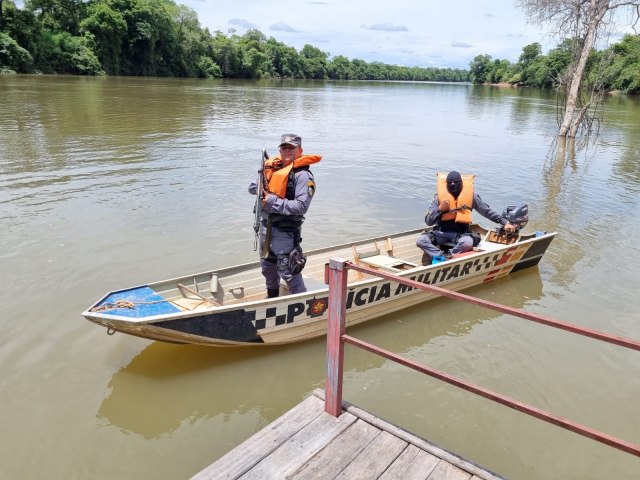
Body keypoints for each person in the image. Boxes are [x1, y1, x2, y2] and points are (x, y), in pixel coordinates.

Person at [249, 134, 322, 297]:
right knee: (267, 268)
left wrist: (272, 201)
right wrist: (261, 189)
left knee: (290, 273)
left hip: (285, 234)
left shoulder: (303, 176)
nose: (287, 150)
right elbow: (252, 187)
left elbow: (301, 206)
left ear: (300, 150)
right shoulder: (272, 167)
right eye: (284, 147)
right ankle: (272, 298)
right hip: (265, 230)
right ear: (280, 150)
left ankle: (301, 304)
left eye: (291, 148)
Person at [416, 171, 516, 264]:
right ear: (446, 183)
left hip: (460, 234)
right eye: (449, 182)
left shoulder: (472, 197)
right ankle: (441, 256)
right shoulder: (439, 198)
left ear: (462, 183)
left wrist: (505, 222)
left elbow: (487, 212)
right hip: (441, 232)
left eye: (456, 182)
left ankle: (450, 256)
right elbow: (428, 221)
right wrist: (440, 209)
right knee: (421, 240)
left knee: (467, 243)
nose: (452, 184)